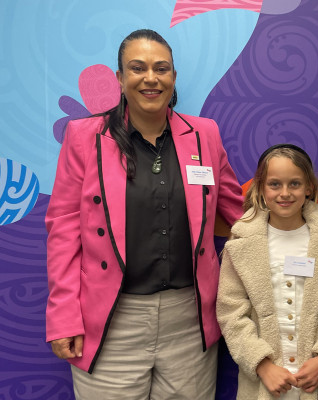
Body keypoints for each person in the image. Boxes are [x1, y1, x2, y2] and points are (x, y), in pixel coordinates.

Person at [45, 29, 243, 399]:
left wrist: (305, 229)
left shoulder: (205, 135)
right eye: (137, 68)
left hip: (190, 321)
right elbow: (63, 231)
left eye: (161, 68)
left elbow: (240, 214)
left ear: (173, 78)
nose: (150, 78)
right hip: (110, 320)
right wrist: (62, 317)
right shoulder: (84, 137)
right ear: (119, 79)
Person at [216, 144, 318, 399]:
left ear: (310, 187)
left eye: (295, 184)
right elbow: (230, 311)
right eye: (275, 184)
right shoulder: (241, 242)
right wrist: (262, 365)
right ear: (261, 187)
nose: (285, 193)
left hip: (315, 381)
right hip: (263, 384)